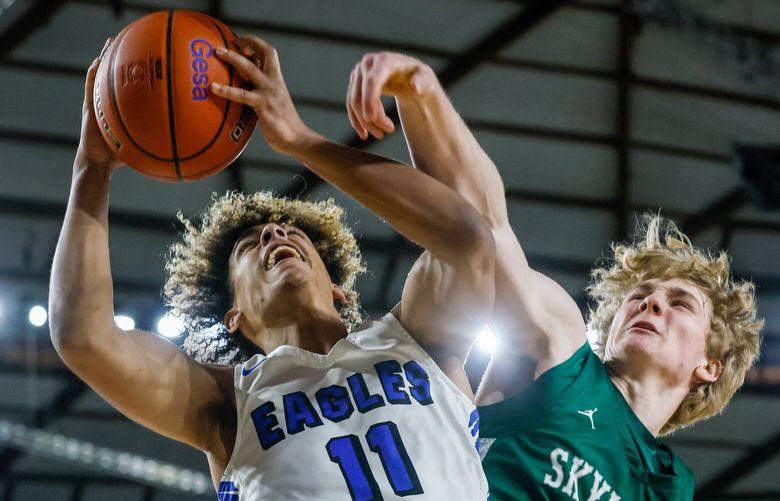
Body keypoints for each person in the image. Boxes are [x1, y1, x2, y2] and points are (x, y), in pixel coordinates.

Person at [49, 37, 494, 500]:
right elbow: (83, 337)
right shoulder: (226, 403)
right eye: (249, 245)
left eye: (292, 233)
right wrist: (92, 169)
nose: (274, 235)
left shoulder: (415, 338)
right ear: (234, 315)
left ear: (338, 289)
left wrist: (299, 140)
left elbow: (469, 237)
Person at [346, 51, 763, 500]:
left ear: (710, 365)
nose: (651, 302)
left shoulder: (669, 487)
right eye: (640, 295)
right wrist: (420, 92)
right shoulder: (561, 352)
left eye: (680, 303)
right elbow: (483, 222)